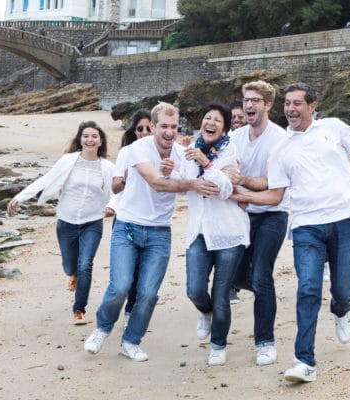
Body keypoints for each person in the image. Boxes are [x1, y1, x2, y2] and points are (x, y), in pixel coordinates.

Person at [231, 82, 350, 383]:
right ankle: (304, 361)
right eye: (287, 103)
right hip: (306, 225)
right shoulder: (281, 147)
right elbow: (274, 195)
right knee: (308, 288)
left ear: (312, 107)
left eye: (297, 103)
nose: (290, 109)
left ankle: (341, 309)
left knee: (342, 288)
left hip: (346, 220)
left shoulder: (333, 128)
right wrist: (238, 195)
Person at [84, 102, 220, 362]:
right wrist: (182, 180)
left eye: (174, 127)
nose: (169, 132)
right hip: (128, 227)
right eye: (164, 127)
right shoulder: (137, 149)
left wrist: (179, 175)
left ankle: (131, 341)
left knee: (148, 293)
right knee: (120, 286)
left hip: (159, 232)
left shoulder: (181, 153)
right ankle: (102, 328)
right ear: (154, 127)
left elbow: (187, 186)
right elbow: (157, 183)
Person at [7, 121, 115, 325]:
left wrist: (112, 207)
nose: (90, 139)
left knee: (86, 265)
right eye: (86, 136)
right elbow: (46, 179)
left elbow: (117, 192)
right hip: (66, 221)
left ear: (100, 141)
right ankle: (72, 274)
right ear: (80, 140)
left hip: (92, 222)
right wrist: (20, 197)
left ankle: (79, 309)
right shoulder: (68, 160)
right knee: (70, 264)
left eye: (94, 136)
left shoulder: (108, 167)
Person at [223, 80, 289, 366]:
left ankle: (265, 342)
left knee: (262, 274)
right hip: (241, 215)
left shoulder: (280, 139)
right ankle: (263, 291)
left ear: (268, 105)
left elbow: (272, 188)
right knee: (234, 278)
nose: (248, 105)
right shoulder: (236, 137)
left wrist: (243, 184)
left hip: (273, 215)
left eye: (255, 101)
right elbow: (224, 167)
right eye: (246, 100)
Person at [181, 103, 250, 366]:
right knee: (194, 290)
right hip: (198, 230)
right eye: (207, 117)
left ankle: (218, 344)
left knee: (222, 292)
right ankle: (206, 311)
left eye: (217, 120)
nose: (210, 122)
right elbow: (185, 184)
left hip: (229, 232)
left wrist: (206, 163)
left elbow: (222, 189)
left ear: (224, 128)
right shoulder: (191, 149)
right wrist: (170, 171)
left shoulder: (230, 151)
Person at [105, 109, 153, 328]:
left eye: (148, 127)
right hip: (125, 219)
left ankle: (131, 311)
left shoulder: (166, 152)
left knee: (142, 271)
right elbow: (115, 188)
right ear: (134, 132)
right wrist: (123, 181)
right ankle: (117, 310)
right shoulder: (127, 152)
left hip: (153, 223)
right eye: (140, 128)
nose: (144, 132)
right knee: (125, 272)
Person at [227, 100, 247, 304]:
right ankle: (232, 287)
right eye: (233, 117)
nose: (237, 120)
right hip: (234, 199)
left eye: (240, 116)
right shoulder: (226, 140)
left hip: (255, 199)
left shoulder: (253, 137)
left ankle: (240, 281)